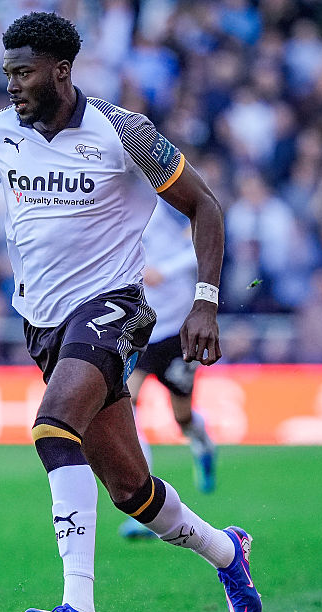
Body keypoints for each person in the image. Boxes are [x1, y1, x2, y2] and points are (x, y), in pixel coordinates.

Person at [0, 12, 261, 612]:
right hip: (43, 325)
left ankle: (80, 609)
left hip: (114, 308)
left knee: (52, 426)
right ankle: (227, 551)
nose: (12, 84)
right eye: (7, 72)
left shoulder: (124, 132)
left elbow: (204, 204)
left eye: (24, 72)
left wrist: (206, 302)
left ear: (61, 70)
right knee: (132, 490)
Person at [119, 198, 218, 541]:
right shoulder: (113, 203)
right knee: (127, 400)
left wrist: (166, 270)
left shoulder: (166, 202)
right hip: (140, 326)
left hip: (177, 328)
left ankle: (202, 443)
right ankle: (143, 499)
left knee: (182, 416)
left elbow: (205, 242)